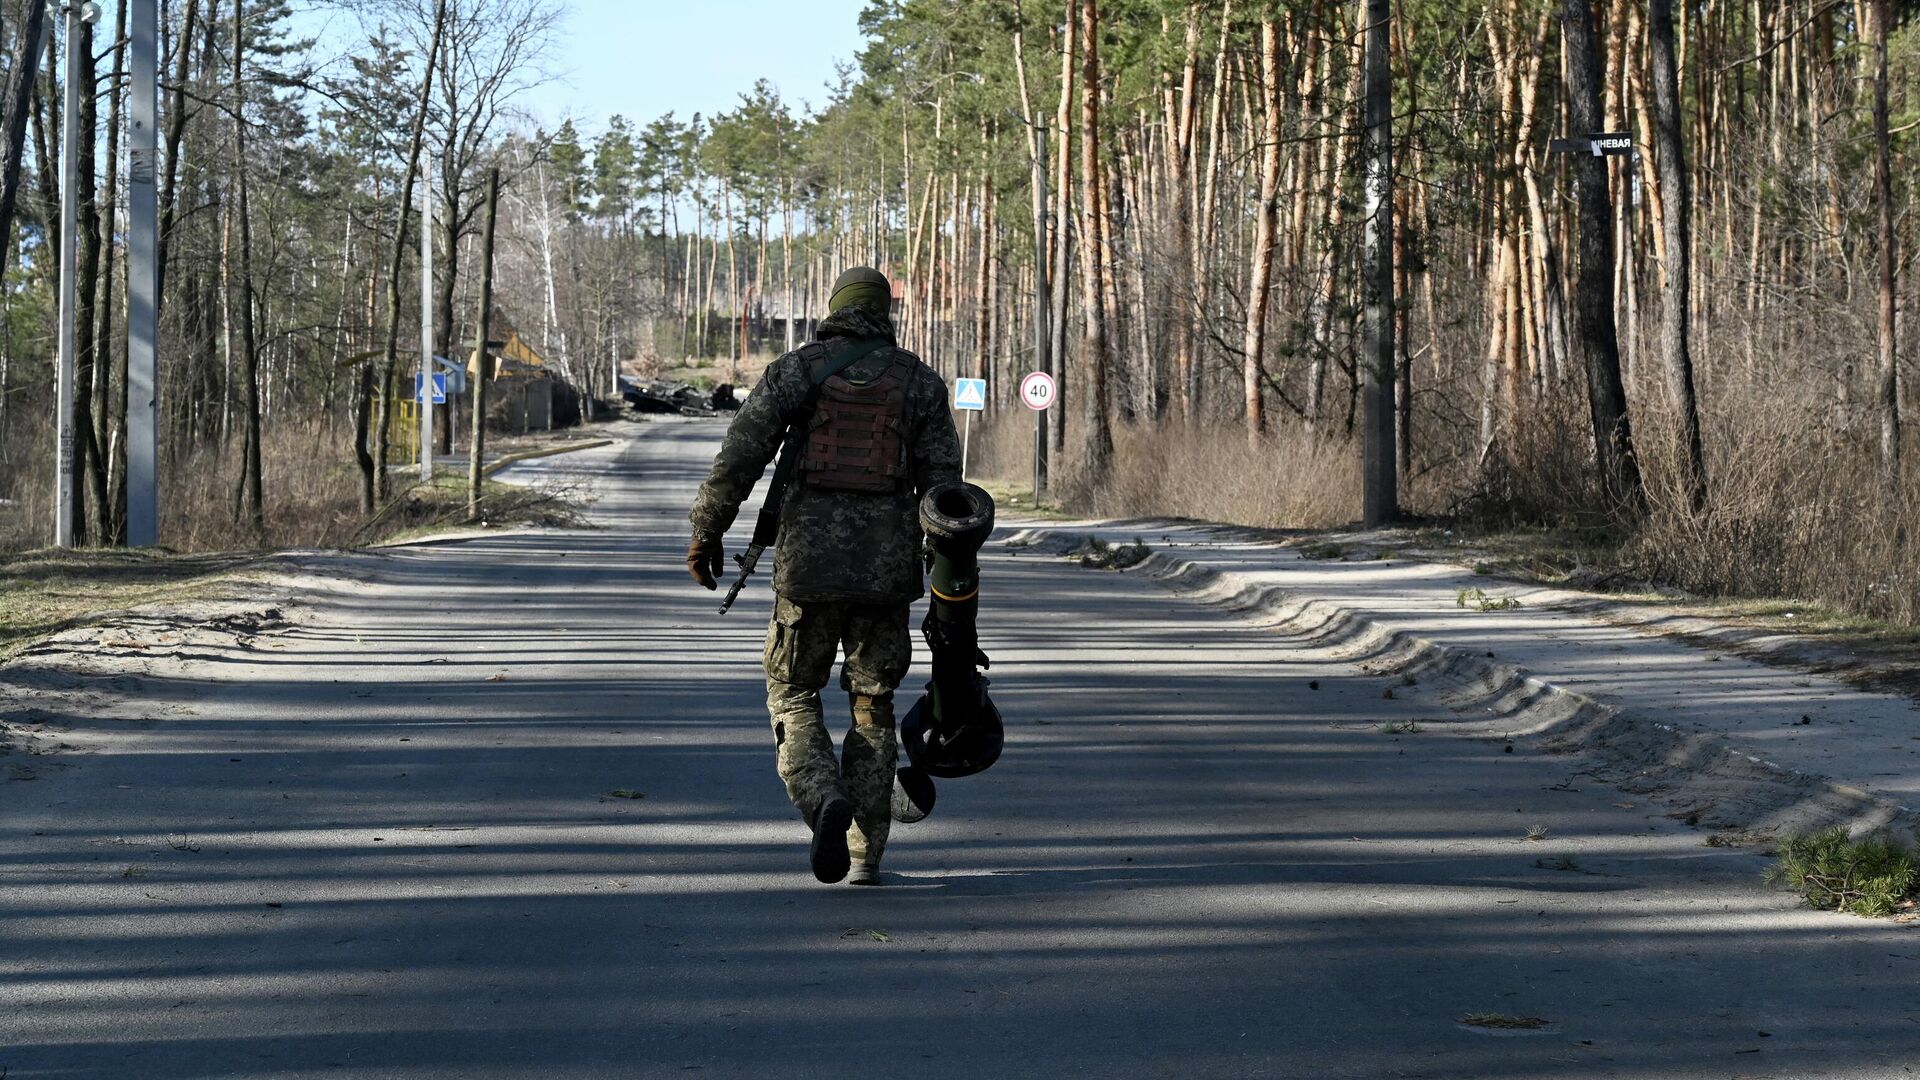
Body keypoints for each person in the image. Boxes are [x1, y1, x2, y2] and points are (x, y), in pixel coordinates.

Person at [687, 267, 962, 886]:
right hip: (886, 577)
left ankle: (822, 801)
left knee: (793, 693)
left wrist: (708, 528)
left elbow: (742, 454)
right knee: (872, 707)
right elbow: (945, 492)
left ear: (835, 308)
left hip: (806, 571)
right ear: (885, 312)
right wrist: (949, 583)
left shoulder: (796, 370)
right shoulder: (918, 382)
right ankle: (866, 856)